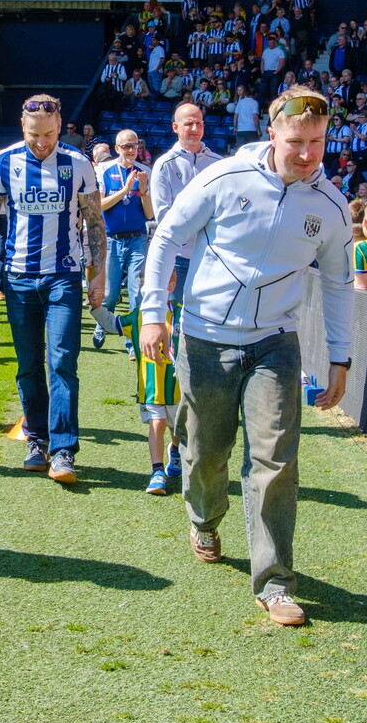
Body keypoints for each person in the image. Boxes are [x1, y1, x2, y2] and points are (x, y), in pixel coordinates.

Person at [139, 85, 352, 628]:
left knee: (276, 460)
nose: (307, 154)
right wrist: (152, 312)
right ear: (273, 133)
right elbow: (166, 237)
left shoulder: (330, 206)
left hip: (275, 343)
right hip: (206, 338)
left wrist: (341, 358)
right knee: (206, 450)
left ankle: (275, 581)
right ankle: (205, 517)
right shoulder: (224, 176)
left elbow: (338, 285)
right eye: (296, 141)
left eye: (318, 142)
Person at [0, 94, 106, 484]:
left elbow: (94, 222)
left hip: (64, 276)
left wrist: (98, 274)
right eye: (33, 134)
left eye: (47, 134)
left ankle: (63, 451)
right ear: (21, 126)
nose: (40, 142)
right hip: (18, 277)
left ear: (60, 126)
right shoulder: (3, 162)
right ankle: (37, 440)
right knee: (29, 365)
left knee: (62, 362)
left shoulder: (78, 164)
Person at [89, 269, 183, 495]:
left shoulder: (183, 314)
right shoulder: (138, 316)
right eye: (146, 286)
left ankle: (176, 450)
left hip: (179, 388)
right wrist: (95, 308)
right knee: (157, 423)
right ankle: (157, 471)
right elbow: (113, 323)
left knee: (176, 426)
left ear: (170, 287)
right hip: (150, 387)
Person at [150, 103, 222, 307]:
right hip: (179, 258)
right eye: (188, 123)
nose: (195, 128)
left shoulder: (219, 164)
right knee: (179, 320)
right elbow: (163, 216)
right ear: (175, 127)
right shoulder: (164, 165)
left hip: (212, 257)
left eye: (199, 123)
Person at [92, 129, 153, 358]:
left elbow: (149, 215)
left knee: (137, 294)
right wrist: (126, 190)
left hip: (137, 238)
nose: (131, 150)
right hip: (112, 239)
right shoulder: (104, 170)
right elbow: (99, 205)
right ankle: (103, 324)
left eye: (134, 146)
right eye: (126, 146)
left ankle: (132, 341)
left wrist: (144, 192)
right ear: (116, 148)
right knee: (111, 292)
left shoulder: (145, 171)